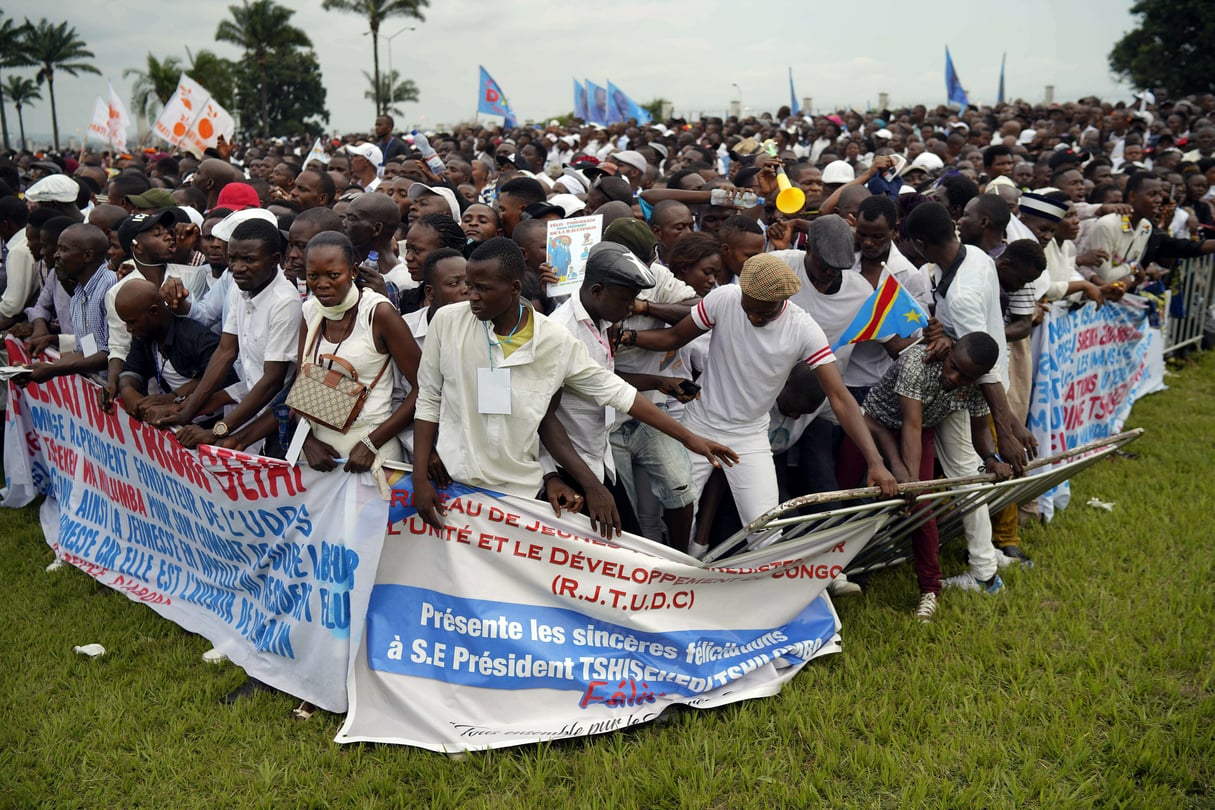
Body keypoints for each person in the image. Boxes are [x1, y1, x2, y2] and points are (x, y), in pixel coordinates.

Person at [410, 237, 737, 534]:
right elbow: (428, 400)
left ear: (513, 288)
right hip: (456, 487)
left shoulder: (554, 341)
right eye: (470, 285)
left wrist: (691, 439)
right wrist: (420, 474)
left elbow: (616, 392)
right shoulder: (447, 322)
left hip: (521, 494)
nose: (472, 296)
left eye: (482, 288)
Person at [620, 253, 898, 551]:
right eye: (748, 308)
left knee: (765, 531)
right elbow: (674, 337)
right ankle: (684, 575)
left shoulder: (804, 329)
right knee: (676, 518)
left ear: (783, 301)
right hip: (698, 428)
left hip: (749, 437)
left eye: (763, 314)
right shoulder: (724, 298)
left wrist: (875, 462)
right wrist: (626, 336)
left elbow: (840, 398)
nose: (753, 318)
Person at [840, 333, 1012, 615]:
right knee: (844, 496)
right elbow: (911, 425)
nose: (955, 378)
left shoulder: (978, 383)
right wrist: (911, 482)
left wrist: (991, 459)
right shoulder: (917, 362)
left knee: (923, 510)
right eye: (954, 366)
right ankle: (828, 574)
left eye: (966, 377)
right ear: (951, 350)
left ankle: (930, 589)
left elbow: (980, 430)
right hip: (872, 427)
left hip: (921, 434)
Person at [154, 219, 300, 452]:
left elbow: (272, 382)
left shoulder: (285, 303)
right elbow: (225, 352)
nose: (238, 268)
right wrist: (187, 411)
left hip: (273, 423)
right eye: (233, 259)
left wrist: (219, 430)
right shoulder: (240, 287)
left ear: (274, 260)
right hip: (243, 411)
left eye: (249, 260)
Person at [293, 231, 420, 469]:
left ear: (353, 271)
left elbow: (424, 388)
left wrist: (371, 443)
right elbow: (301, 383)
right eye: (313, 276)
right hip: (319, 456)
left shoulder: (378, 313)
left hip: (371, 451)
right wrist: (306, 441)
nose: (322, 284)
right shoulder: (310, 311)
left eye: (333, 275)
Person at [114, 279, 238, 422]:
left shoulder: (195, 337)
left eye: (132, 322)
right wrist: (127, 390)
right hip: (178, 421)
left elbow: (226, 376)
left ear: (154, 311)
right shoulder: (143, 336)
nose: (129, 329)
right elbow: (132, 370)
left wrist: (173, 397)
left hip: (212, 422)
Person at [13, 224, 115, 385]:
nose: (56, 255)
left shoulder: (110, 288)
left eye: (63, 249)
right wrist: (37, 368)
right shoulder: (78, 295)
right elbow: (88, 351)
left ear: (87, 256)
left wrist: (53, 369)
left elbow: (110, 355)